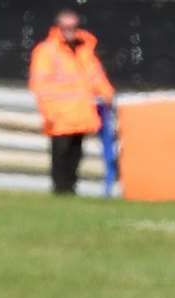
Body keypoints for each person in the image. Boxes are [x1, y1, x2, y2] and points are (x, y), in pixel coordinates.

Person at [28, 8, 115, 196]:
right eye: (66, 27)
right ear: (58, 27)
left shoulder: (85, 50)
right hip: (59, 114)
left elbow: (96, 76)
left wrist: (108, 94)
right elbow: (40, 84)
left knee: (76, 153)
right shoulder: (46, 51)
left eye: (73, 27)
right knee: (60, 154)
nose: (70, 31)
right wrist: (48, 112)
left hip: (81, 112)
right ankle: (60, 190)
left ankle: (71, 189)